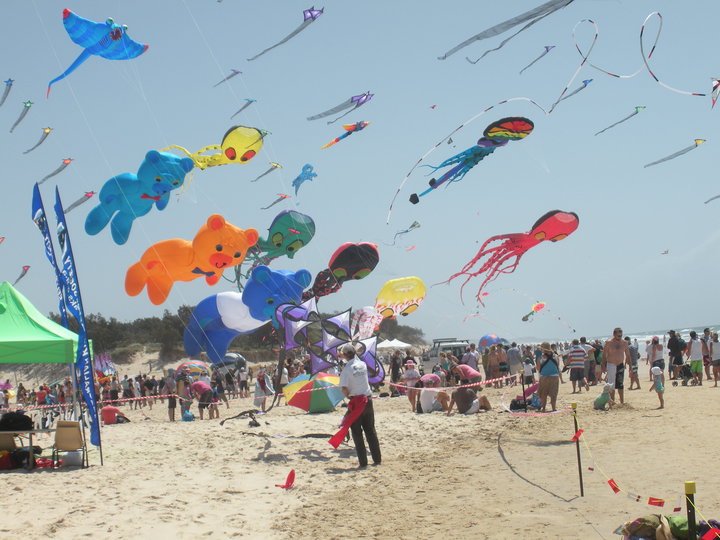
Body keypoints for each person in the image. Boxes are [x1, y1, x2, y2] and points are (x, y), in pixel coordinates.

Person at [338, 343, 381, 468]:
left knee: (357, 432)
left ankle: (363, 462)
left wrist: (348, 397)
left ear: (345, 355)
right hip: (367, 399)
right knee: (370, 430)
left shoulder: (346, 369)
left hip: (356, 401)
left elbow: (344, 389)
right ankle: (377, 459)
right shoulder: (362, 364)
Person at [601, 327, 631, 403]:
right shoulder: (608, 343)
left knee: (620, 383)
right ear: (614, 334)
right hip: (611, 364)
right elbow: (604, 355)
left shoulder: (624, 343)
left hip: (620, 364)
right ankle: (612, 401)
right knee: (611, 384)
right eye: (618, 336)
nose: (619, 337)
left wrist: (630, 366)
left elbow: (628, 355)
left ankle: (622, 401)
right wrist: (603, 366)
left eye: (621, 336)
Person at [536, 342, 563, 412]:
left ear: (543, 349)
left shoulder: (541, 357)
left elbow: (538, 368)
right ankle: (553, 408)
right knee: (554, 393)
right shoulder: (556, 356)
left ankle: (544, 408)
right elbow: (557, 365)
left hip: (544, 377)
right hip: (554, 376)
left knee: (543, 393)